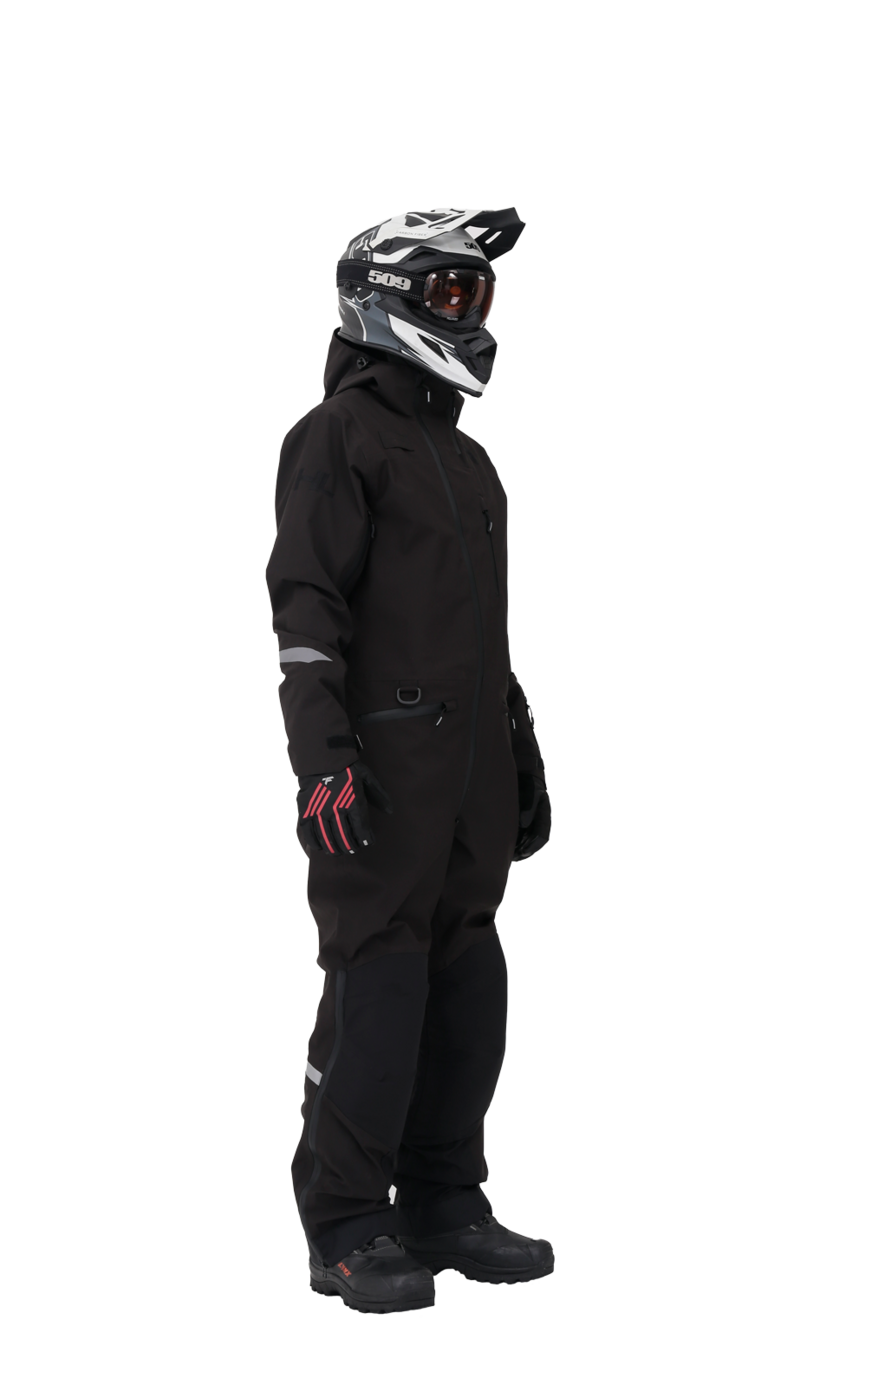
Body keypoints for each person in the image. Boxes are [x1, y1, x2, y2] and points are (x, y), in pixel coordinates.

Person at [267, 209, 553, 1313]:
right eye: (446, 294)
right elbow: (306, 613)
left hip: (468, 775)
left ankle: (444, 1201)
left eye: (474, 296)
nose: (465, 314)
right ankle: (344, 1221)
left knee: (468, 986)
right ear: (381, 298)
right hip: (378, 778)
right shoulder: (334, 439)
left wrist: (519, 748)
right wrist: (322, 759)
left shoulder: (470, 465)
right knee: (378, 987)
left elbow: (485, 634)